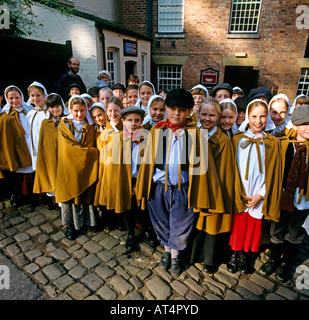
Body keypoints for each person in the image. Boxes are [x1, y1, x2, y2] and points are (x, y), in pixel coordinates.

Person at [135, 88, 225, 277]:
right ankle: (167, 251)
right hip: (158, 188)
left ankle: (176, 255)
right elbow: (147, 161)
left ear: (189, 112)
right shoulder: (157, 131)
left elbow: (203, 168)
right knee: (161, 222)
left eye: (182, 110)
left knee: (180, 224)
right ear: (166, 108)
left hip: (183, 189)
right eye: (173, 108)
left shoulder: (195, 134)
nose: (177, 113)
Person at [227, 99, 281, 275]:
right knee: (238, 226)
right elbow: (232, 168)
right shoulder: (237, 140)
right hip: (240, 192)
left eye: (263, 116)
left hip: (258, 194)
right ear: (247, 117)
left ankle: (245, 257)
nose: (258, 120)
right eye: (254, 116)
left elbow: (274, 174)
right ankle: (234, 255)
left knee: (252, 228)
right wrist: (238, 192)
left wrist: (261, 195)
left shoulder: (273, 143)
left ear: (268, 118)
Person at [259, 104, 309, 283]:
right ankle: (274, 258)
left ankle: (286, 263)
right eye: (304, 124)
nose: (308, 128)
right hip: (282, 197)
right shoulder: (284, 144)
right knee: (277, 229)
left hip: (304, 200)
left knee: (294, 233)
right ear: (295, 125)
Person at [190, 96, 234, 273]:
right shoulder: (192, 133)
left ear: (218, 116)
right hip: (194, 185)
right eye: (204, 114)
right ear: (198, 113)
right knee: (193, 223)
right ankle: (192, 254)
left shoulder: (223, 140)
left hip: (213, 187)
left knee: (211, 223)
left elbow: (226, 170)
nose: (207, 118)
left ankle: (209, 259)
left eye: (212, 115)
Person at [95, 106, 148, 251]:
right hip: (124, 179)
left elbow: (148, 163)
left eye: (137, 120)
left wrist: (139, 183)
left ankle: (146, 229)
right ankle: (130, 233)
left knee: (142, 206)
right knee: (127, 207)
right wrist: (126, 184)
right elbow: (114, 165)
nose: (133, 124)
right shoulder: (118, 139)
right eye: (129, 120)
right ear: (123, 121)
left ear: (142, 121)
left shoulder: (147, 138)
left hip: (140, 179)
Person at [55, 95, 99, 240]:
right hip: (68, 167)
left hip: (85, 168)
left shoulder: (90, 126)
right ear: (70, 110)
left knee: (86, 195)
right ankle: (71, 226)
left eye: (82, 110)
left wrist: (87, 153)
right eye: (76, 111)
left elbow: (91, 143)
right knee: (70, 197)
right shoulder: (64, 125)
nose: (79, 114)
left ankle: (89, 222)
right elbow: (67, 149)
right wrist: (91, 153)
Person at [33, 93, 70, 209]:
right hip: (53, 159)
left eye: (57, 106)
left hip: (67, 159)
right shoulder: (46, 124)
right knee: (56, 184)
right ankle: (61, 209)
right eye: (51, 107)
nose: (55, 109)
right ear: (48, 108)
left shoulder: (68, 121)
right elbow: (44, 145)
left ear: (62, 105)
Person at [0, 86, 34, 208]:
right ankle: (19, 195)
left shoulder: (29, 109)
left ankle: (32, 195)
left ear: (22, 97)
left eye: (17, 97)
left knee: (31, 169)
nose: (15, 101)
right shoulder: (5, 115)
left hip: (30, 144)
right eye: (11, 98)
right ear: (6, 99)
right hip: (16, 147)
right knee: (19, 171)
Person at [26, 81, 48, 171]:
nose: (35, 98)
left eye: (38, 95)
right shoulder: (30, 114)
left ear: (44, 95)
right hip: (35, 149)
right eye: (32, 96)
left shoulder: (49, 113)